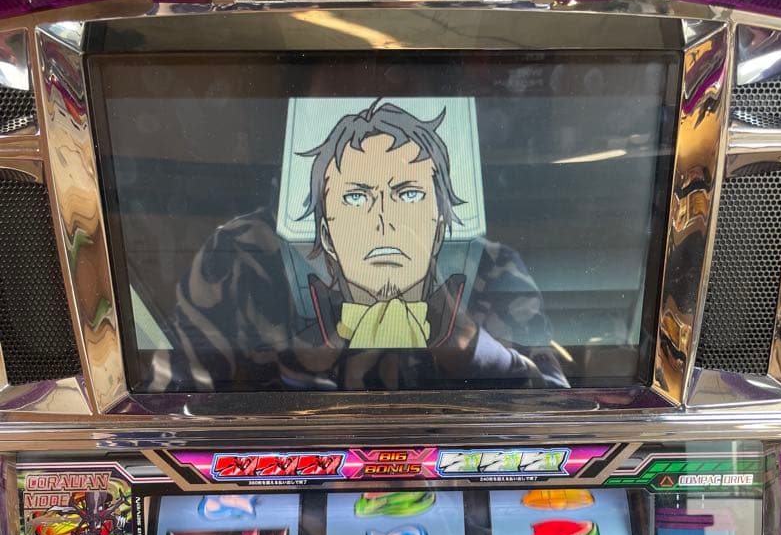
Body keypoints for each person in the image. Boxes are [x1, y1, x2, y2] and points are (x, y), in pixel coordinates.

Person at [148, 101, 567, 392]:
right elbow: (168, 403)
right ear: (324, 227)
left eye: (407, 194)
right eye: (356, 197)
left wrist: (468, 346)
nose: (383, 220)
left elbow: (562, 420)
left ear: (440, 219)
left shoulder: (492, 266)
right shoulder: (242, 255)